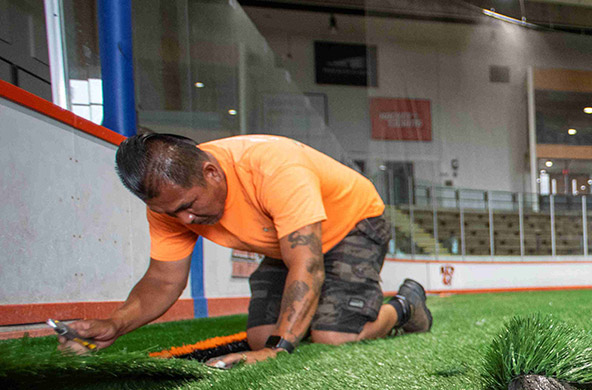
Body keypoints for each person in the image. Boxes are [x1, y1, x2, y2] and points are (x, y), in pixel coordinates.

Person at [57, 133, 431, 366]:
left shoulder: (273, 167)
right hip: (284, 240)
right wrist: (115, 324)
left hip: (352, 222)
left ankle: (405, 306)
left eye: (189, 205)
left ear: (211, 172)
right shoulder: (171, 206)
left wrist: (278, 349)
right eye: (171, 213)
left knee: (333, 337)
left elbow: (308, 265)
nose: (185, 220)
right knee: (258, 337)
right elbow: (162, 280)